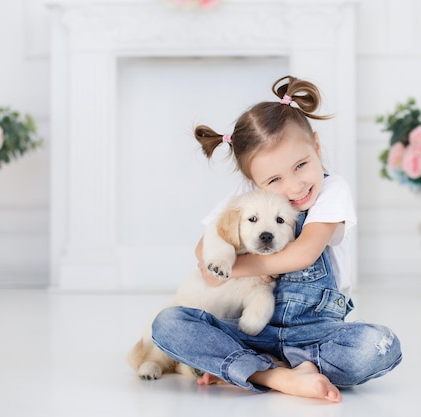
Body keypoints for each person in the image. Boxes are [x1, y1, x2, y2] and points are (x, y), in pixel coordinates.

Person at [151, 75, 401, 403]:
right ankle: (278, 375)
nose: (295, 186)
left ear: (317, 146)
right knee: (168, 323)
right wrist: (218, 264)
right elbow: (205, 250)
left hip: (315, 334)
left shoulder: (331, 190)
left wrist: (238, 268)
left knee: (379, 345)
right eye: (274, 179)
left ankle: (251, 369)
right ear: (252, 181)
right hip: (252, 332)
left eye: (301, 165)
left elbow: (304, 254)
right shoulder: (248, 194)